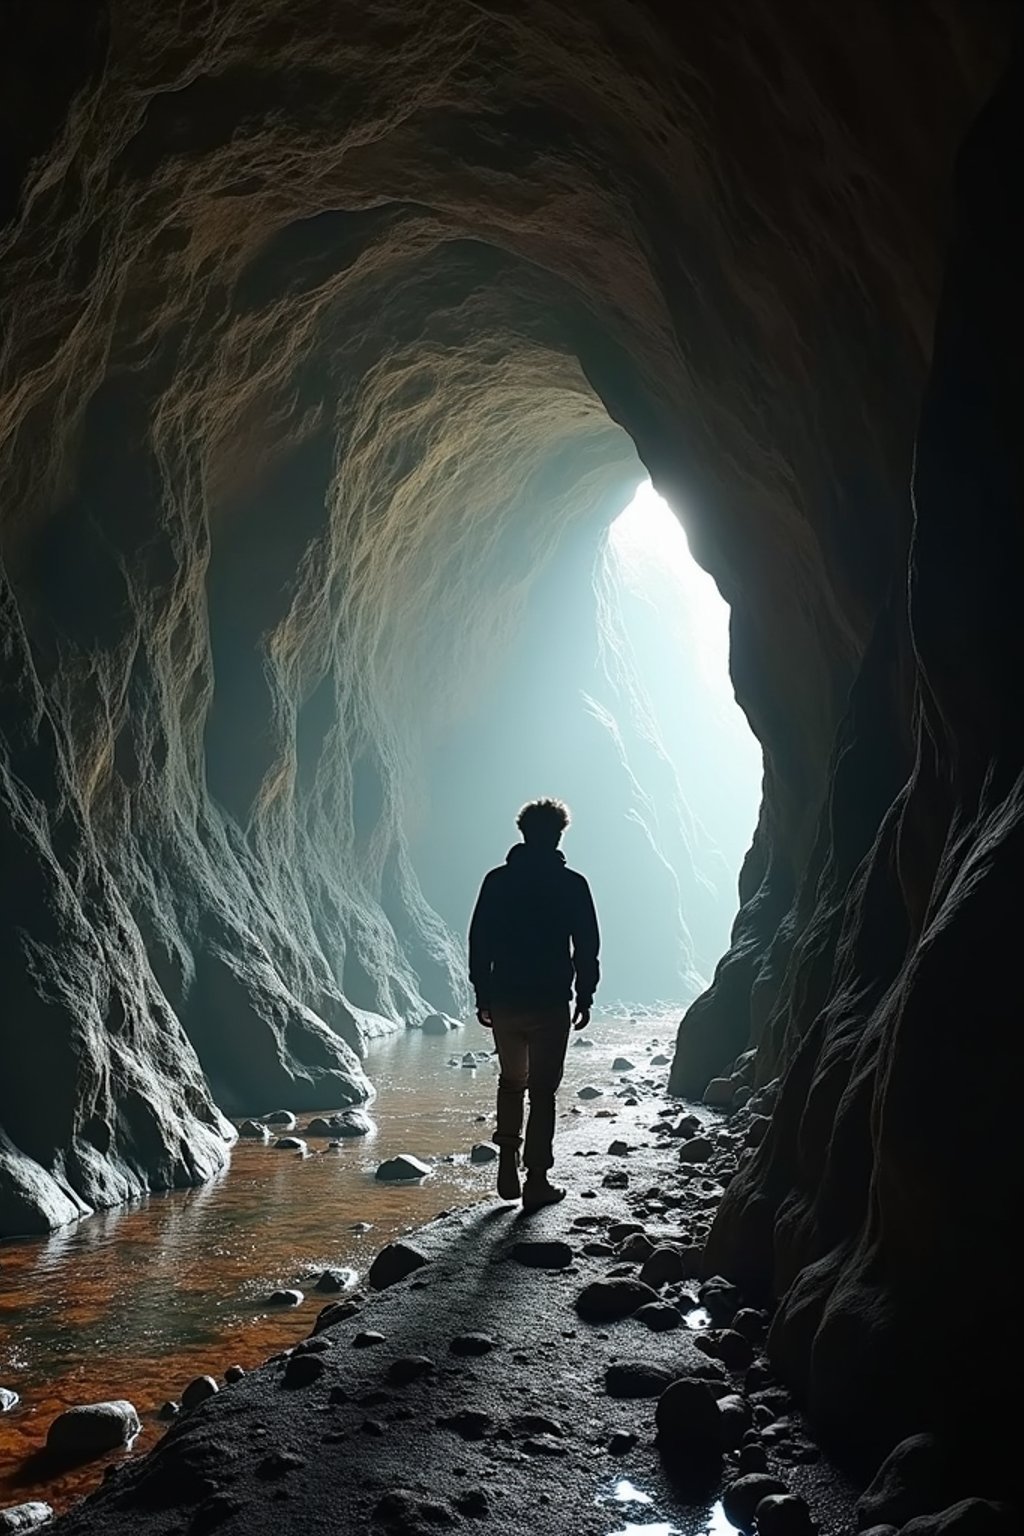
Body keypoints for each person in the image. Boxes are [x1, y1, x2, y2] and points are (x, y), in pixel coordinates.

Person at [468, 797, 600, 1211]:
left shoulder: (497, 881)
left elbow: (479, 941)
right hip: (550, 1000)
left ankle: (507, 1162)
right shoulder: (572, 884)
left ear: (522, 834)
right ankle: (537, 1179)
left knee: (511, 1082)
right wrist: (586, 993)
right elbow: (587, 945)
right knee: (543, 1092)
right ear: (559, 834)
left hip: (506, 997)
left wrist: (482, 993)